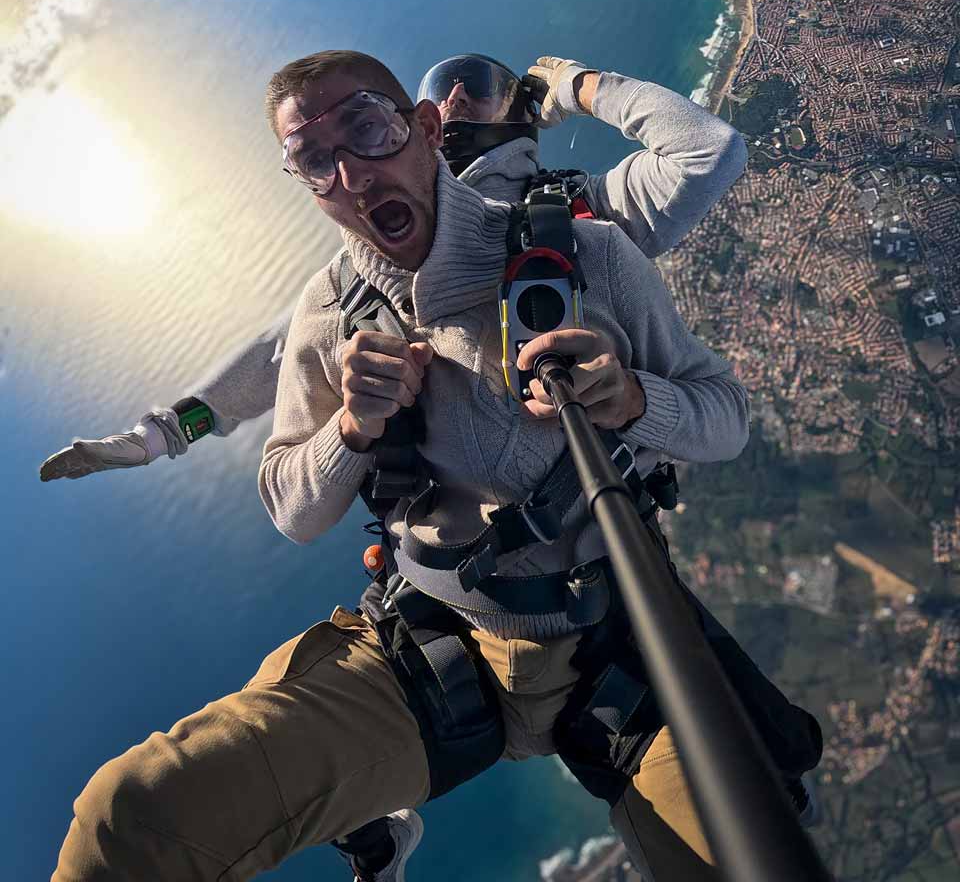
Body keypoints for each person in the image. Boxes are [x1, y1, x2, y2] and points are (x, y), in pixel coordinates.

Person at [53, 51, 821, 882]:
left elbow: (722, 390)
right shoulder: (341, 306)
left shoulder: (582, 235)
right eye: (316, 159)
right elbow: (266, 391)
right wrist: (338, 425)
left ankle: (374, 823)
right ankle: (373, 817)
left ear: (427, 130)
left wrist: (635, 399)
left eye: (371, 128)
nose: (350, 170)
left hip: (613, 641)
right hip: (437, 641)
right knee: (127, 816)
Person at [39, 54, 747, 481]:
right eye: (443, 89)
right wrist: (162, 432)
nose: (457, 98)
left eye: (478, 83)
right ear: (421, 124)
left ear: (521, 115)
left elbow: (707, 151)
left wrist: (580, 85)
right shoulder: (373, 268)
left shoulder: (578, 214)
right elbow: (279, 354)